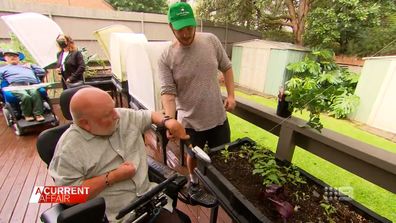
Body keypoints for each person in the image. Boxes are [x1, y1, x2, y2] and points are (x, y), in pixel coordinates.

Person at [49, 87, 190, 222]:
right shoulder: (68, 149)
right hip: (115, 217)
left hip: (150, 202)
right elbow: (65, 196)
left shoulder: (121, 116)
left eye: (113, 108)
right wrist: (112, 177)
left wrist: (168, 121)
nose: (116, 115)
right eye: (108, 114)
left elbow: (151, 115)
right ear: (85, 124)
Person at [159, 2, 236, 206]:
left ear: (195, 23)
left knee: (222, 156)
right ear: (171, 27)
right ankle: (193, 184)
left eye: (189, 27)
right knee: (193, 156)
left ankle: (221, 186)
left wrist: (231, 95)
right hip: (191, 122)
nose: (186, 33)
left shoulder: (211, 40)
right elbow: (167, 92)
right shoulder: (166, 56)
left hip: (218, 116)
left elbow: (227, 67)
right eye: (180, 29)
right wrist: (169, 120)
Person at [0, 49, 46, 122]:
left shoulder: (26, 66)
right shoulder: (3, 69)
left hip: (30, 85)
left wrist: (32, 65)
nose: (12, 57)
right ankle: (27, 115)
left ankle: (38, 114)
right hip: (15, 86)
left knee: (35, 93)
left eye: (15, 56)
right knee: (25, 96)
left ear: (18, 58)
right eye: (9, 56)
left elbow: (42, 72)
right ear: (5, 58)